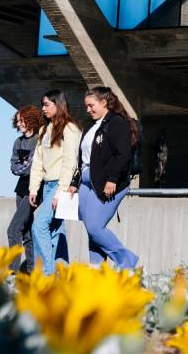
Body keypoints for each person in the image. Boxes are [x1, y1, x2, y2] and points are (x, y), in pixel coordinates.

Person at [79, 86, 140, 269]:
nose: (88, 110)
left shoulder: (117, 122)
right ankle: (97, 268)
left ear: (104, 103)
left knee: (95, 227)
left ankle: (128, 262)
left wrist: (112, 179)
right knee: (90, 229)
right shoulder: (90, 124)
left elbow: (123, 154)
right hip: (85, 181)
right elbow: (82, 155)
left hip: (107, 182)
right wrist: (75, 182)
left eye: (91, 106)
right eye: (86, 106)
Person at [27, 89, 80, 275]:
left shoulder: (70, 128)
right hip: (47, 185)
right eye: (43, 104)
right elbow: (38, 162)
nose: (43, 108)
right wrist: (33, 189)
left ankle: (45, 275)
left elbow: (70, 162)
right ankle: (63, 275)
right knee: (56, 230)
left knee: (39, 226)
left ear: (58, 105)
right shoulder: (44, 130)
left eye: (47, 104)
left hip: (60, 185)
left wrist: (61, 191)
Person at [6, 105, 42, 274]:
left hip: (34, 189)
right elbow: (14, 167)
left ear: (31, 120)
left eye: (22, 120)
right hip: (20, 188)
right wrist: (24, 166)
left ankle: (11, 273)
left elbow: (32, 167)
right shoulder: (18, 142)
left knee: (13, 229)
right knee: (26, 231)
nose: (19, 124)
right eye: (18, 120)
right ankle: (31, 272)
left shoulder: (38, 140)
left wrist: (23, 167)